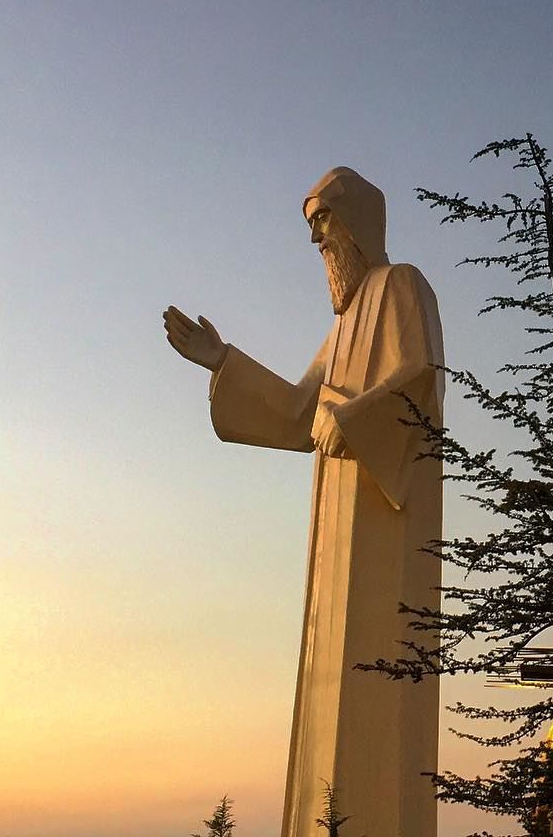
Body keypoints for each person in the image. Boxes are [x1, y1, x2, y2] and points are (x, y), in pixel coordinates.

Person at [164, 166, 443, 837]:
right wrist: (222, 360)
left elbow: (421, 379)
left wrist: (353, 420)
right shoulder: (342, 329)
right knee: (329, 678)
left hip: (384, 519)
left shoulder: (401, 284)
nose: (317, 237)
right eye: (312, 225)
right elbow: (297, 411)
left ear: (358, 225)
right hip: (336, 521)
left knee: (375, 679)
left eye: (324, 221)